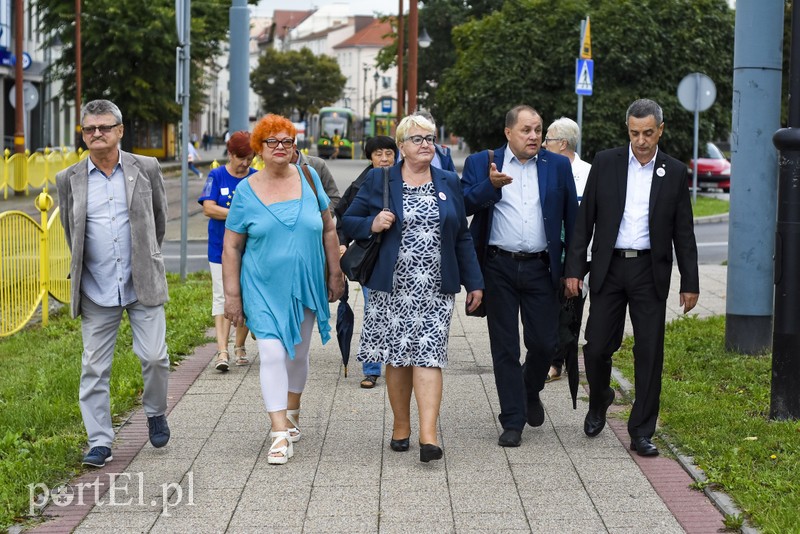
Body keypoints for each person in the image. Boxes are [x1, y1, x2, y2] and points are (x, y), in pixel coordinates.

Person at [342, 115, 483, 463]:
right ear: (401, 145)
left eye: (430, 138)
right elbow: (346, 220)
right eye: (417, 139)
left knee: (430, 356)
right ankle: (401, 426)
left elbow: (461, 235)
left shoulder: (448, 180)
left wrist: (475, 281)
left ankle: (429, 435)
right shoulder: (380, 179)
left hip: (435, 288)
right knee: (399, 358)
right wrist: (372, 223)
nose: (425, 144)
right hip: (392, 288)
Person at [564, 98, 699, 457]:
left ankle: (641, 430)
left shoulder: (673, 171)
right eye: (635, 133)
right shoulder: (606, 163)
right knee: (595, 347)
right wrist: (574, 270)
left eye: (648, 133)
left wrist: (691, 282)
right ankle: (600, 400)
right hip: (610, 268)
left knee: (650, 351)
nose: (641, 140)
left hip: (649, 271)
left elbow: (683, 231)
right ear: (628, 130)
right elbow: (584, 222)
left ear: (660, 131)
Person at [223, 114, 344, 465]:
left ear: (294, 147)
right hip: (261, 285)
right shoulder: (246, 190)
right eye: (272, 142)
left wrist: (334, 273)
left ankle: (292, 409)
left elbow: (328, 229)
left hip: (305, 283)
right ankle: (278, 433)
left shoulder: (308, 178)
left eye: (287, 142)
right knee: (274, 354)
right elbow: (232, 247)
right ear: (259, 149)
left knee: (298, 354)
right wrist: (232, 296)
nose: (280, 148)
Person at [56, 99, 171, 468]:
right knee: (94, 368)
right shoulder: (68, 179)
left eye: (104, 127)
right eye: (90, 128)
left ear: (120, 131)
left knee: (154, 356)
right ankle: (100, 441)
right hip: (95, 287)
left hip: (142, 283)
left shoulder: (146, 168)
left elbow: (159, 219)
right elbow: (71, 232)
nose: (97, 134)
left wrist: (147, 257)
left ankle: (155, 412)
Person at [462, 105, 578, 448]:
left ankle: (530, 391)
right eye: (526, 130)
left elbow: (573, 219)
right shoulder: (482, 163)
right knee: (505, 347)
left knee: (545, 343)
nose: (534, 136)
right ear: (508, 132)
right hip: (497, 266)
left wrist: (573, 270)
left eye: (539, 130)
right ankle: (512, 420)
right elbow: (463, 204)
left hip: (541, 267)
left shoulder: (556, 165)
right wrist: (490, 186)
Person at [334, 135, 398, 389]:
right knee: (374, 313)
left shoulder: (407, 179)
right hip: (373, 259)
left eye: (388, 154)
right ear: (370, 158)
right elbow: (345, 218)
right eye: (378, 154)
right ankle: (371, 369)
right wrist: (342, 241)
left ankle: (398, 362)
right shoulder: (361, 184)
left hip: (402, 259)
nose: (384, 159)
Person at [198, 131, 255, 371]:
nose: (245, 164)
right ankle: (222, 351)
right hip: (219, 249)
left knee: (247, 298)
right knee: (221, 297)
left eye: (250, 158)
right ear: (230, 154)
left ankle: (239, 344)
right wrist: (238, 216)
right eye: (241, 158)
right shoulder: (217, 175)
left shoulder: (256, 178)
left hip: (250, 250)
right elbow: (209, 208)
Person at [542, 117, 592, 382]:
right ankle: (548, 356)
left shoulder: (589, 173)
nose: (542, 144)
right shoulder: (544, 169)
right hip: (549, 253)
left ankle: (560, 362)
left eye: (547, 139)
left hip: (578, 256)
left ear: (562, 144)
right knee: (546, 309)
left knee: (570, 312)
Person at [291, 144, 341, 211]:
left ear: (294, 146)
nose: (279, 147)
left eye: (285, 142)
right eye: (272, 142)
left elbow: (334, 198)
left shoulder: (318, 165)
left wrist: (319, 218)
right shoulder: (272, 170)